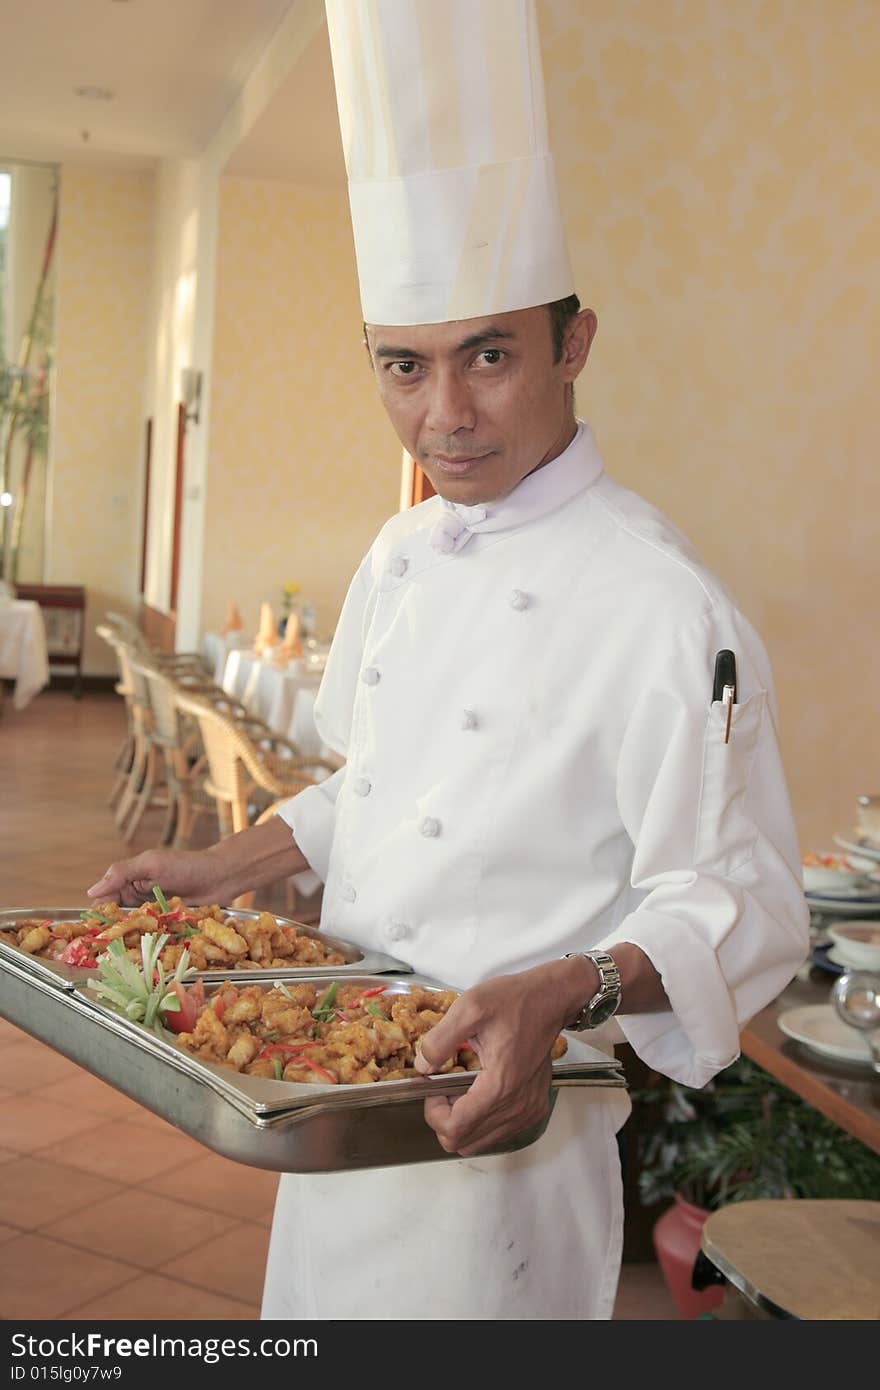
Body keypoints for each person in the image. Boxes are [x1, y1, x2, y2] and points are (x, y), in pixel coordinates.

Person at [87, 1, 809, 1319]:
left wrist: (569, 984)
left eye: (488, 354)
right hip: (337, 1097)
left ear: (572, 343)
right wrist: (231, 861)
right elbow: (390, 783)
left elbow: (745, 897)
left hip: (505, 1152)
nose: (447, 415)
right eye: (403, 368)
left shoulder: (661, 603)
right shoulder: (405, 553)